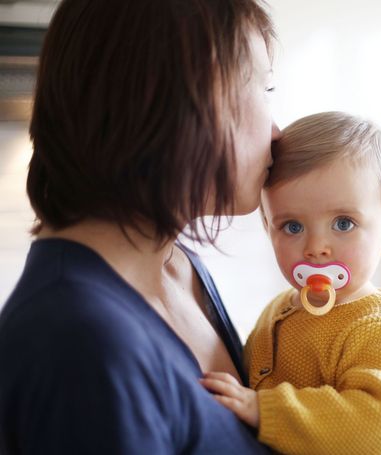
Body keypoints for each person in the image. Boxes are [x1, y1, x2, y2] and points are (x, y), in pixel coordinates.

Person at [0, 0, 281, 453]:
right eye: (266, 90)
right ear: (188, 101)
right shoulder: (80, 342)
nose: (277, 132)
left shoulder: (178, 265)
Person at [200, 112, 381, 454]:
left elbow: (375, 423)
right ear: (269, 228)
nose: (316, 248)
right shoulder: (276, 313)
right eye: (293, 227)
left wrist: (263, 410)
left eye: (343, 224)